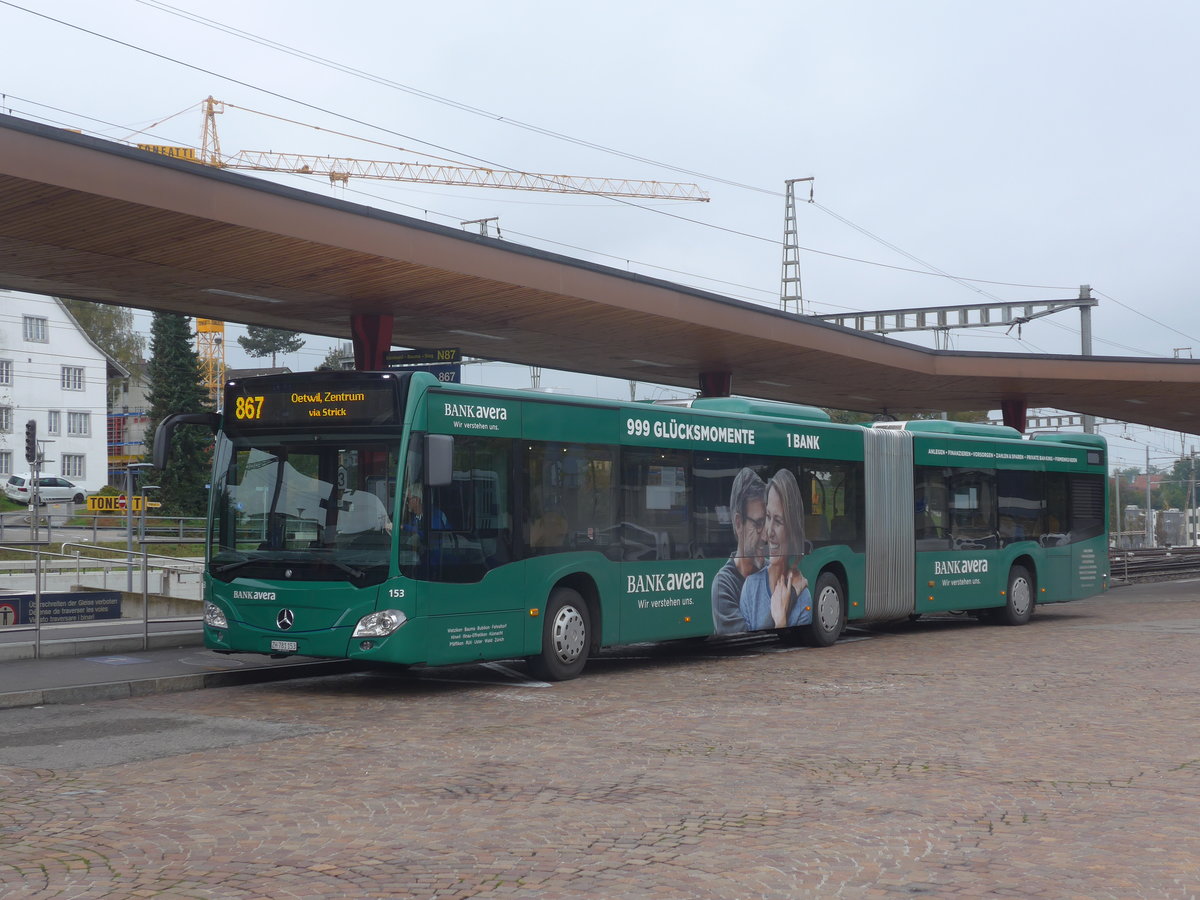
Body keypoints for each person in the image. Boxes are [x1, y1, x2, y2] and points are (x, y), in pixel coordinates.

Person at [738, 468, 812, 630]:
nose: (769, 531)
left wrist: (781, 622)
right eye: (768, 517)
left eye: (778, 521)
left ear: (792, 530)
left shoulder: (804, 598)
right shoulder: (750, 588)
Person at [711, 468, 767, 635]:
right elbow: (743, 631)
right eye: (758, 524)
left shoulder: (774, 570)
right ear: (738, 523)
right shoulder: (723, 584)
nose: (765, 535)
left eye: (768, 523)